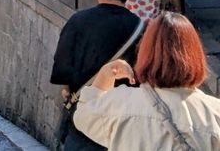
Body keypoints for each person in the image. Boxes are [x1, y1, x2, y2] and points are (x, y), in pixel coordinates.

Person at [74, 12, 220, 149]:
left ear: (145, 53)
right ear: (196, 56)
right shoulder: (214, 112)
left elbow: (82, 116)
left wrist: (105, 75)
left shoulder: (121, 103)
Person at [51, 0, 142, 151]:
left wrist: (68, 90)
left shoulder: (78, 21)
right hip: (123, 122)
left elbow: (63, 67)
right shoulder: (140, 28)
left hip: (83, 120)